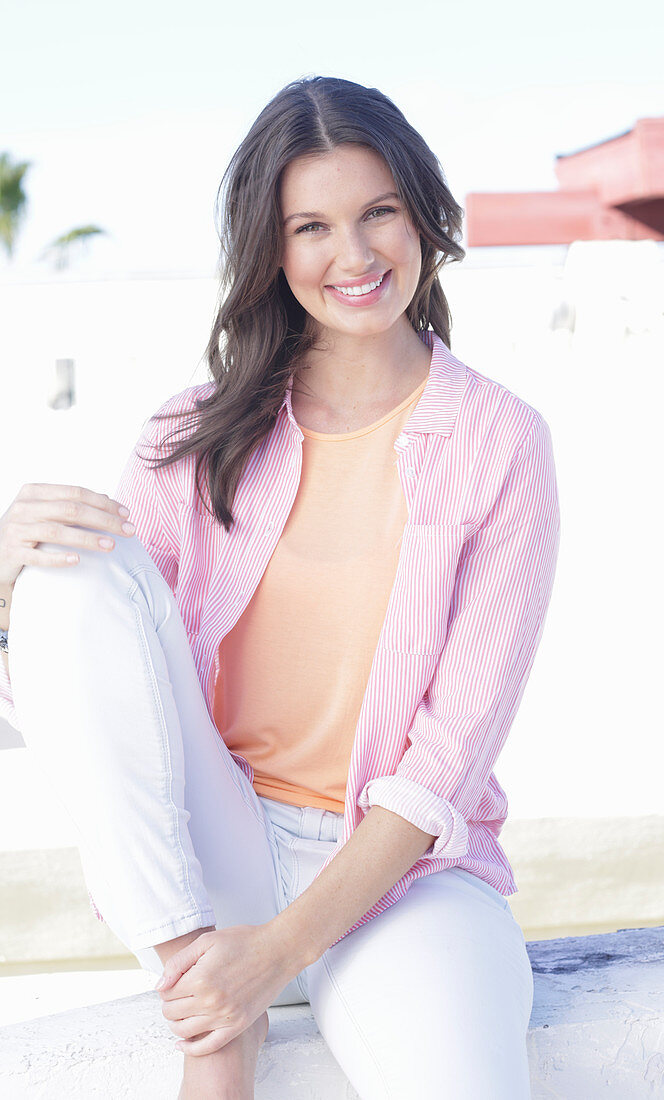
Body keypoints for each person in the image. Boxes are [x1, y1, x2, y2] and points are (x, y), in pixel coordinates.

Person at [0, 75, 560, 1100]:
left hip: (401, 875)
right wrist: (9, 589)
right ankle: (202, 1010)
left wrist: (272, 955)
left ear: (423, 215)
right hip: (215, 847)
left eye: (378, 212)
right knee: (72, 567)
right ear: (271, 247)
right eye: (312, 225)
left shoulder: (499, 441)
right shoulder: (190, 433)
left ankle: (227, 990)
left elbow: (443, 760)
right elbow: (100, 694)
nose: (353, 255)